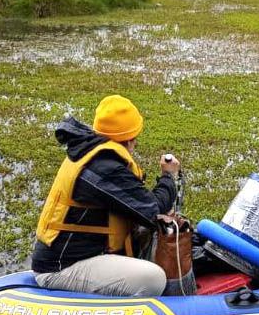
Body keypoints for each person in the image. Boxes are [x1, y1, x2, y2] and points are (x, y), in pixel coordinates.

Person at [32, 95, 181, 297]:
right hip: (60, 268)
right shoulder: (104, 167)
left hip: (81, 256)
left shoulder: (91, 152)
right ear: (130, 138)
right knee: (154, 278)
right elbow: (152, 210)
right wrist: (168, 177)